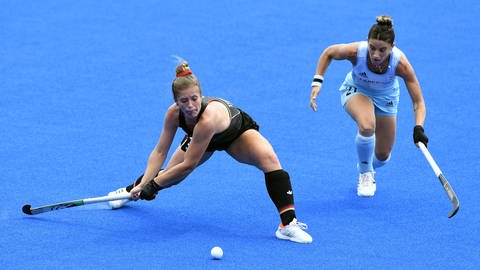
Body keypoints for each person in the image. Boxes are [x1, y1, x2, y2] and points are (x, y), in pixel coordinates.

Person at [108, 61, 312, 244]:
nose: (190, 106)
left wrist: (154, 185)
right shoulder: (173, 114)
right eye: (184, 101)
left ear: (201, 95)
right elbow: (160, 151)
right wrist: (146, 185)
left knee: (270, 160)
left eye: (194, 99)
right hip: (200, 138)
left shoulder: (207, 119)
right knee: (170, 175)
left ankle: (288, 225)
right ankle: (127, 191)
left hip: (236, 134)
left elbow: (188, 165)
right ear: (176, 102)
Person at [309, 15, 429, 197]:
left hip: (386, 97)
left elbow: (418, 102)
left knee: (382, 155)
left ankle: (367, 162)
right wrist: (317, 82)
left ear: (392, 47)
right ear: (367, 43)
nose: (375, 55)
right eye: (372, 48)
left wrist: (419, 127)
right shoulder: (356, 52)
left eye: (382, 50)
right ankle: (365, 173)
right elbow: (329, 53)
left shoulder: (401, 65)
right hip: (357, 89)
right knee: (367, 126)